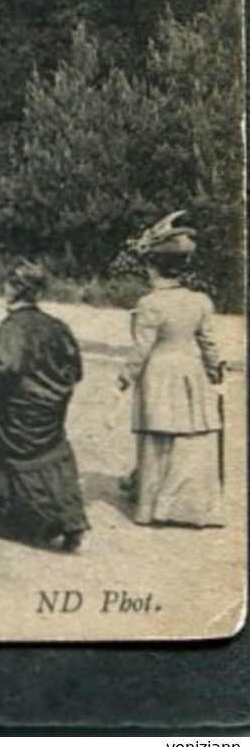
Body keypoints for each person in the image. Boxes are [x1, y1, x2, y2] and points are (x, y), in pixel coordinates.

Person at [0, 260, 89, 550]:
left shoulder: (10, 328)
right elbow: (75, 369)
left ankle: (8, 517)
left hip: (16, 411)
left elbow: (3, 370)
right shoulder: (57, 327)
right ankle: (69, 520)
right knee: (52, 455)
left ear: (12, 289)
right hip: (50, 410)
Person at [120, 213, 226, 528]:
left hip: (159, 373)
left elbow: (141, 348)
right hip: (191, 372)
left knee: (156, 437)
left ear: (153, 267)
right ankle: (190, 508)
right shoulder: (200, 301)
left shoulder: (150, 303)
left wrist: (126, 375)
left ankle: (150, 506)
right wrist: (214, 371)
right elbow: (209, 344)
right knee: (189, 437)